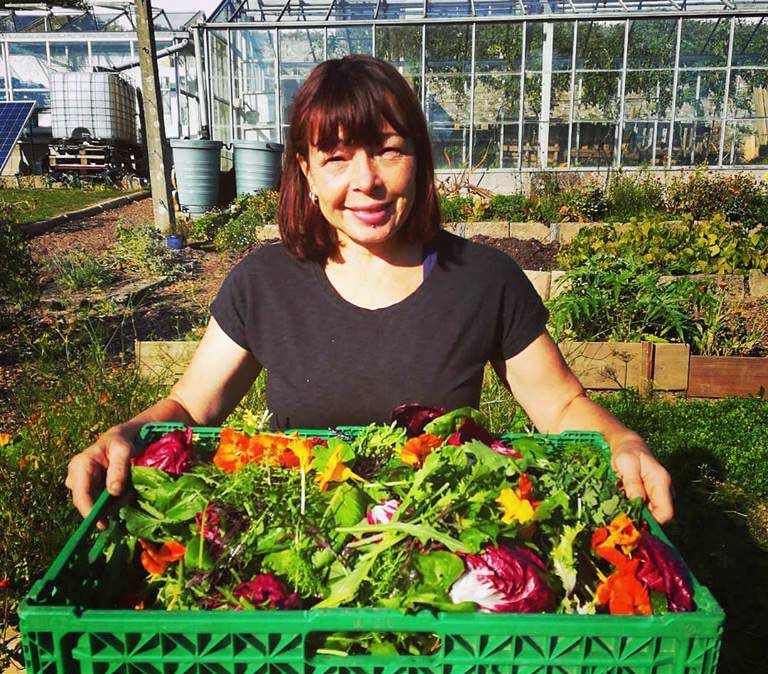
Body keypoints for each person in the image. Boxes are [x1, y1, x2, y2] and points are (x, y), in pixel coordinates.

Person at [66, 55, 673, 525]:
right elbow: (194, 408)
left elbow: (560, 407)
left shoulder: (484, 281)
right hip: (298, 547)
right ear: (305, 171)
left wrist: (622, 439)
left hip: (447, 547)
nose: (368, 183)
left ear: (419, 158)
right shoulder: (264, 284)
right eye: (336, 158)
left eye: (387, 151)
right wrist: (127, 432)